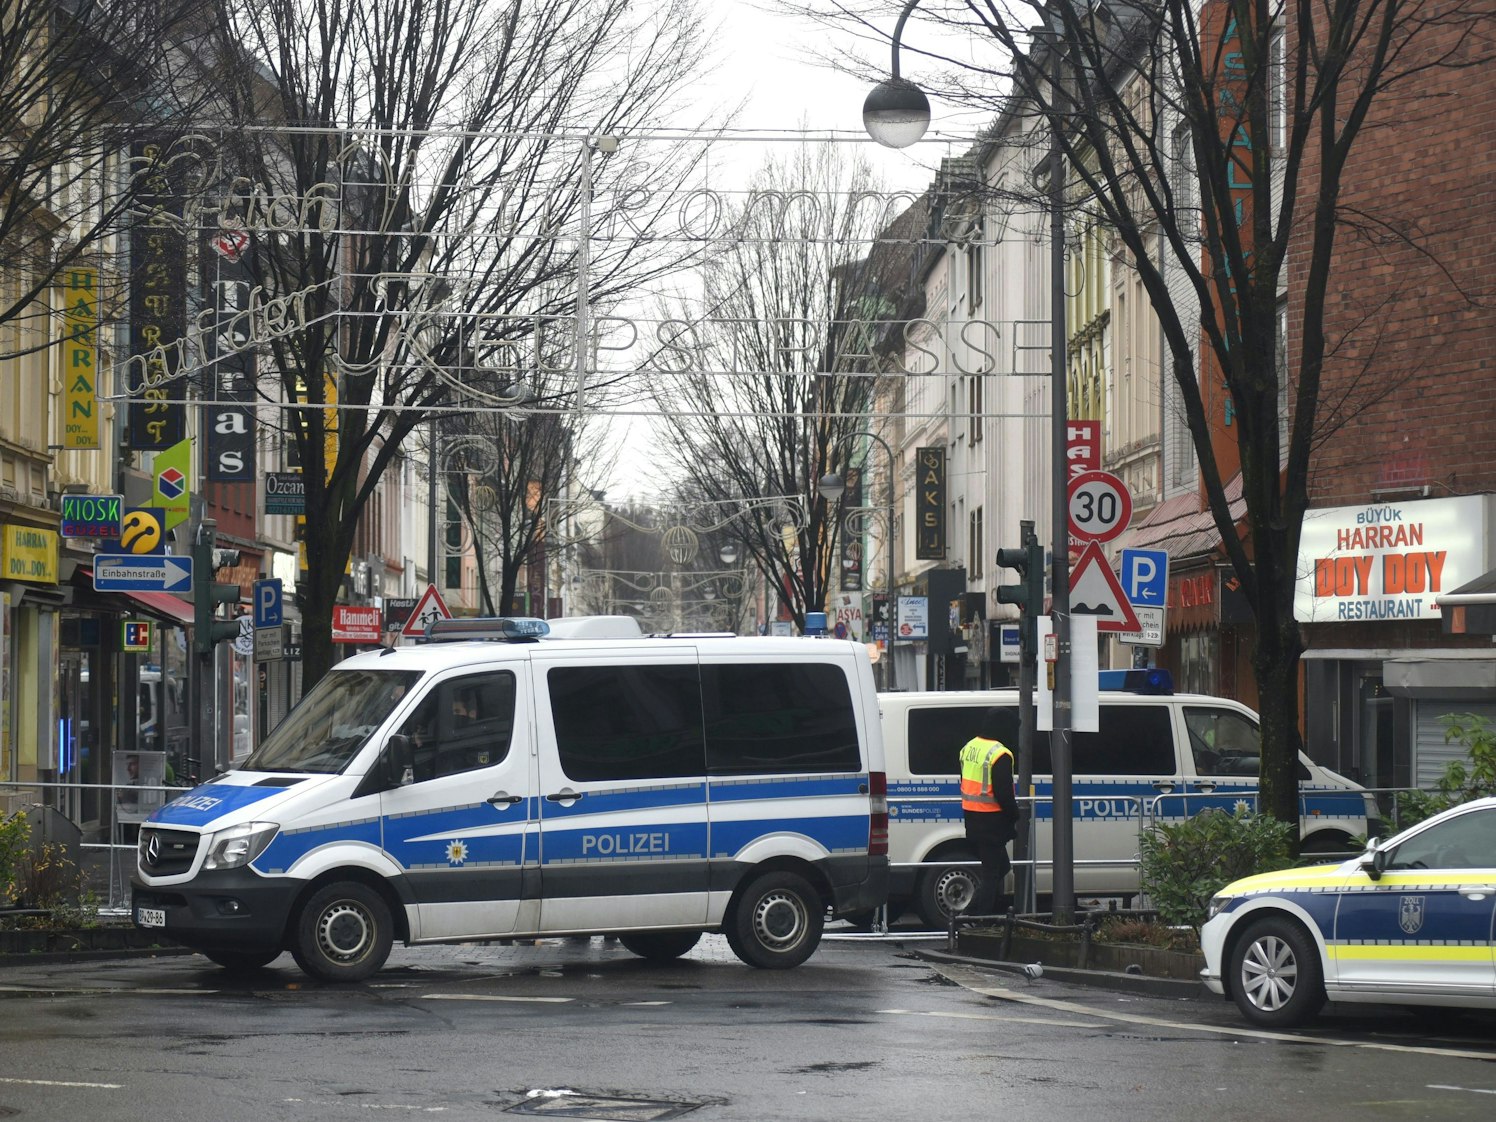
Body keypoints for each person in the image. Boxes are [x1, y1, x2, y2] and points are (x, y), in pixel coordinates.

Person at [959, 708, 1019, 917]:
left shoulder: (969, 747)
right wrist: (1015, 815)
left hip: (972, 818)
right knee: (991, 874)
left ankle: (971, 913)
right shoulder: (1000, 754)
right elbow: (1004, 795)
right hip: (992, 821)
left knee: (1001, 868)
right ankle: (977, 919)